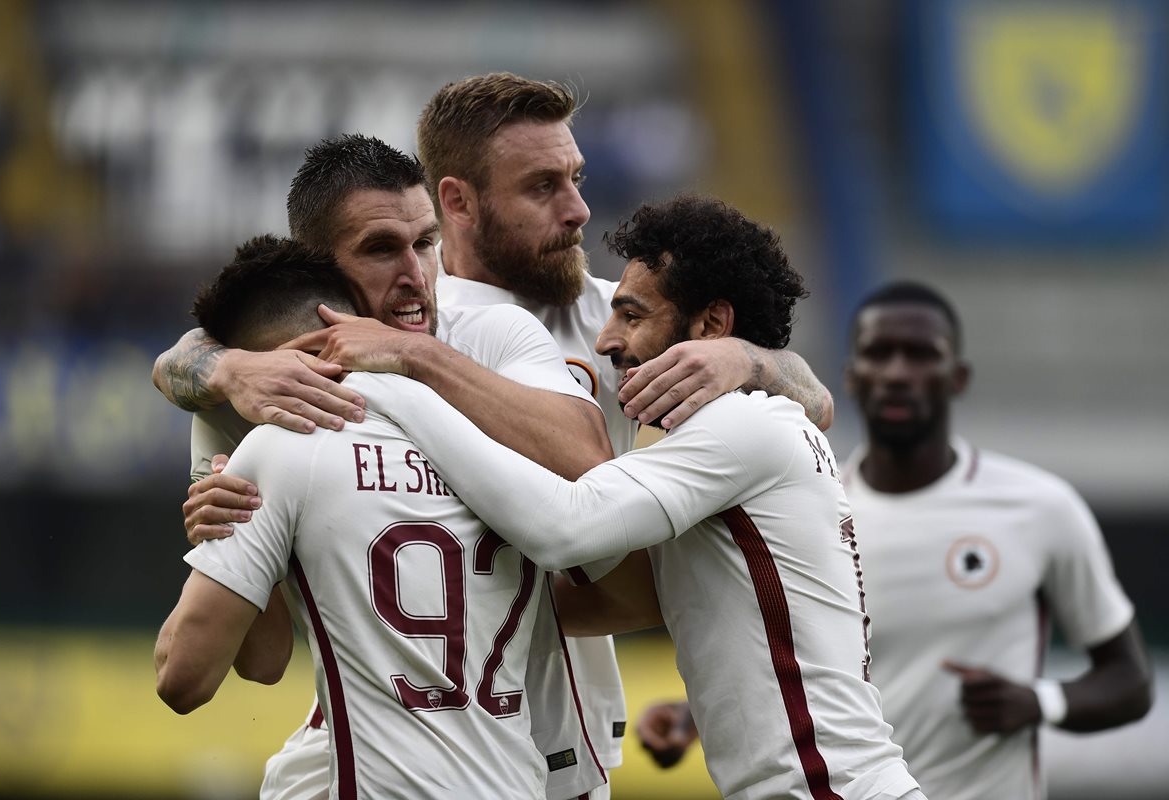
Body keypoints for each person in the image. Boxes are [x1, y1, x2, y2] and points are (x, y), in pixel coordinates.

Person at [173, 73, 835, 799]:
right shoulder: (299, 362)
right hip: (379, 748)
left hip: (552, 742)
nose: (578, 209)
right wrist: (222, 369)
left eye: (576, 179)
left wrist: (752, 360)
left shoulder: (615, 315)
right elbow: (193, 358)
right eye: (543, 187)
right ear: (459, 200)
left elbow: (810, 405)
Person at [346, 194, 925, 800]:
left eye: (631, 315)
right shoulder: (760, 426)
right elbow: (611, 600)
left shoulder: (740, 426)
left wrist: (403, 376)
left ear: (711, 326)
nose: (605, 340)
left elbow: (564, 526)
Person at [161, 136, 612, 799]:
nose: (416, 274)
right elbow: (262, 661)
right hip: (395, 745)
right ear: (321, 271)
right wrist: (225, 524)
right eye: (380, 249)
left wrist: (412, 357)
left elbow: (588, 464)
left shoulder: (491, 333)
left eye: (425, 242)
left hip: (551, 733)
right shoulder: (260, 392)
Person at [636, 280, 1154, 800]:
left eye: (921, 355)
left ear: (957, 377)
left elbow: (1131, 681)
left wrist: (1040, 703)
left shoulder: (1040, 508)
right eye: (879, 354)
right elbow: (797, 668)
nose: (898, 372)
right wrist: (692, 717)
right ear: (851, 377)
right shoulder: (805, 508)